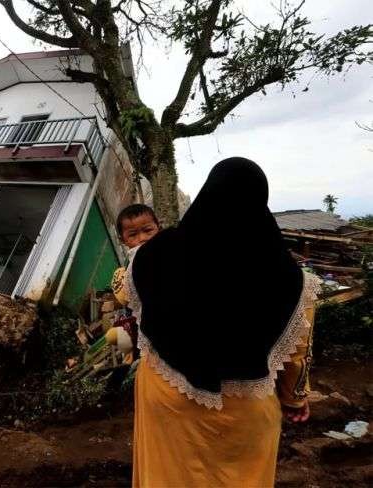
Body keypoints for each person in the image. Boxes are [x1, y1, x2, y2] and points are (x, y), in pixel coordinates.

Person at [126, 158, 319, 487]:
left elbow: (131, 300)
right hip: (246, 413)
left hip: (167, 397)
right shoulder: (291, 279)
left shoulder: (150, 255)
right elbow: (298, 351)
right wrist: (296, 399)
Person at [107, 204, 161, 362]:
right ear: (123, 240)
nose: (142, 238)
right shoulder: (126, 270)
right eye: (133, 235)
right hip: (146, 326)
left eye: (148, 230)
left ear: (158, 227)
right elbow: (124, 299)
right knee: (113, 335)